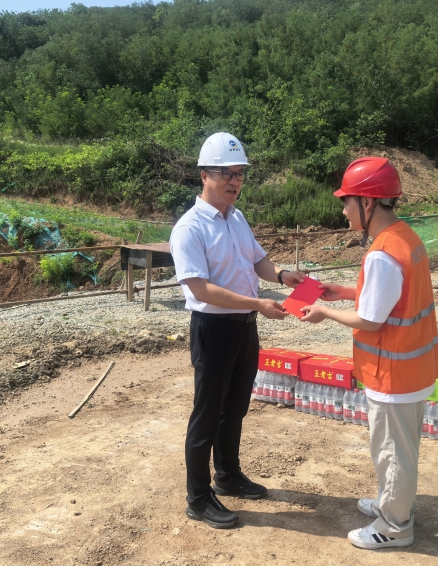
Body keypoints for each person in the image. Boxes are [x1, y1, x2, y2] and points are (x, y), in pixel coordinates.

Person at [300, 157, 438, 550]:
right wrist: (344, 292)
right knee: (399, 448)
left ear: (367, 202)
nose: (343, 210)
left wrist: (325, 311)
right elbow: (391, 298)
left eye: (346, 201)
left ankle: (395, 526)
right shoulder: (403, 237)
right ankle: (390, 503)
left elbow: (371, 320)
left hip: (393, 373)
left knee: (392, 451)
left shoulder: (381, 253)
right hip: (410, 368)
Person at [170, 132, 305, 529]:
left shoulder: (236, 217)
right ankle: (198, 498)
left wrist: (282, 274)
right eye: (225, 173)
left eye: (239, 173)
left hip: (245, 329)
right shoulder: (190, 228)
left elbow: (257, 261)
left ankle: (227, 475)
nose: (234, 181)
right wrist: (258, 304)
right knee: (207, 415)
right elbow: (200, 289)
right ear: (204, 176)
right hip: (213, 329)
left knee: (236, 408)